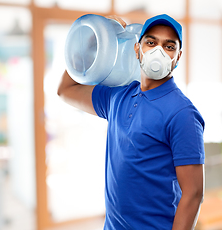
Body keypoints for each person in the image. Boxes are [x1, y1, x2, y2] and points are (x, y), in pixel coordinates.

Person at [58, 14, 205, 230]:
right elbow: (66, 89)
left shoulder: (182, 113)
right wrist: (98, 36)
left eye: (169, 46)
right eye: (151, 42)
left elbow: (193, 194)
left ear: (178, 56)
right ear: (137, 49)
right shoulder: (118, 97)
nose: (159, 51)